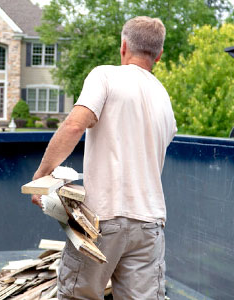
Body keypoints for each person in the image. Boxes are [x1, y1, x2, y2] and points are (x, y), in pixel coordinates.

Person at [31, 16, 177, 300]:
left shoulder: (105, 75)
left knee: (78, 295)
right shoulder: (163, 97)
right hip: (149, 224)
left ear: (124, 47)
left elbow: (75, 124)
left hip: (100, 218)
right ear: (159, 55)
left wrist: (42, 175)